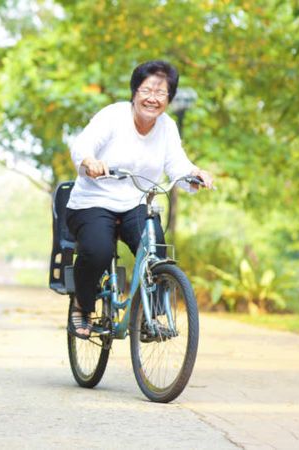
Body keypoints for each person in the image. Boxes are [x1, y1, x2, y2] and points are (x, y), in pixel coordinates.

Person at [65, 60, 214, 338]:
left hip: (135, 203)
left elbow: (177, 165)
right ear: (134, 92)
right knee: (97, 250)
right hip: (93, 201)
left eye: (161, 93)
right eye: (147, 90)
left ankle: (150, 316)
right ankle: (82, 304)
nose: (153, 99)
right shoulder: (113, 116)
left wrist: (195, 173)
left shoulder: (167, 127)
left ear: (169, 99)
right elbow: (83, 145)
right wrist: (90, 161)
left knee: (156, 250)